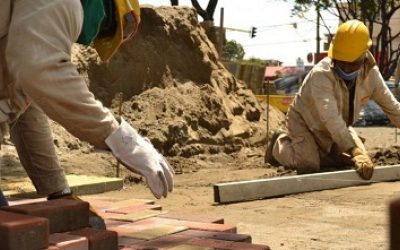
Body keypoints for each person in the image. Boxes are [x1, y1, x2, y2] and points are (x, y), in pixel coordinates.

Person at [0, 0, 174, 226]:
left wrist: (59, 193)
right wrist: (120, 138)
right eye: (105, 28)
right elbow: (41, 71)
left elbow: (29, 108)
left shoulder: (28, 23)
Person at [265, 19, 400, 180]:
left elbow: (393, 108)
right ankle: (278, 145)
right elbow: (330, 118)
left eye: (351, 64)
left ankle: (324, 154)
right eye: (341, 62)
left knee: (362, 162)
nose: (345, 68)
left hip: (339, 126)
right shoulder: (321, 75)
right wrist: (354, 151)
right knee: (309, 165)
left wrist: (357, 154)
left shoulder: (371, 75)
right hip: (304, 122)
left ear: (363, 57)